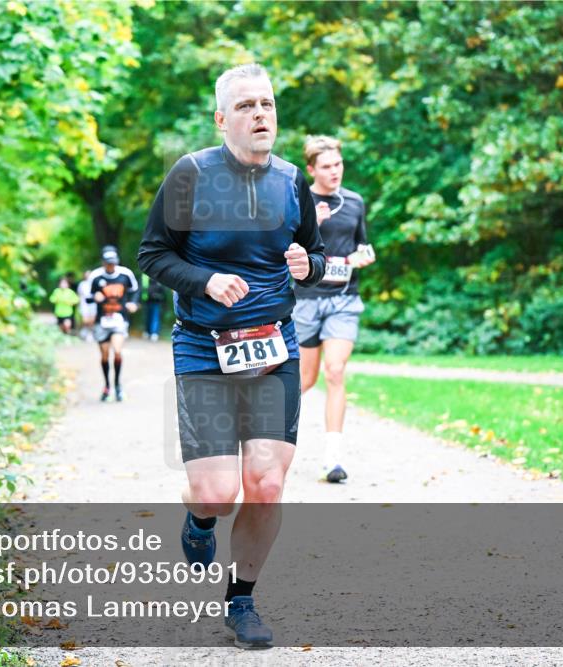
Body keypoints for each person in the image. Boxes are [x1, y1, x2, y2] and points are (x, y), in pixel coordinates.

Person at [138, 63, 325, 649]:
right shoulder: (191, 175)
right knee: (218, 493)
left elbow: (314, 258)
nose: (260, 114)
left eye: (267, 104)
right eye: (246, 106)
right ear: (223, 119)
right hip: (203, 345)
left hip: (274, 346)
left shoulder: (293, 181)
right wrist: (205, 281)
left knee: (266, 483)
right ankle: (198, 520)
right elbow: (153, 254)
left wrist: (309, 267)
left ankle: (242, 600)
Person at [295, 136, 375, 484]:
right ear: (311, 169)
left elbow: (362, 246)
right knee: (303, 380)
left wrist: (364, 257)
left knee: (336, 371)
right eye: (326, 167)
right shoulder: (299, 201)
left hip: (344, 299)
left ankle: (332, 458)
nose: (334, 172)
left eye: (338, 165)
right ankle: (265, 439)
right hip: (306, 300)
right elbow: (284, 247)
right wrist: (311, 220)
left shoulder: (355, 202)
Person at [87, 245, 139, 402]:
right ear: (103, 262)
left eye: (113, 262)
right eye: (108, 263)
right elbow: (87, 296)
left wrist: (133, 303)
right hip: (101, 321)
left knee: (117, 351)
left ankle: (117, 386)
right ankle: (107, 385)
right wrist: (95, 296)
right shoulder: (95, 276)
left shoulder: (125, 274)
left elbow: (135, 290)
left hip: (119, 319)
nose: (111, 265)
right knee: (104, 354)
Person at [141, 273, 167, 341]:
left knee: (155, 318)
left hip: (157, 302)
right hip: (147, 301)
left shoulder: (160, 278)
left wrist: (163, 301)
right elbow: (142, 289)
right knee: (147, 317)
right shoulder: (145, 277)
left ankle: (154, 333)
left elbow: (163, 292)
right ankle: (147, 332)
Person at [76, 270, 97, 342]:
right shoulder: (82, 284)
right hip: (84, 304)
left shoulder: (94, 283)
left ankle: (90, 333)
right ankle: (86, 331)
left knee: (92, 319)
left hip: (93, 304)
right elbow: (79, 294)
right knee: (85, 320)